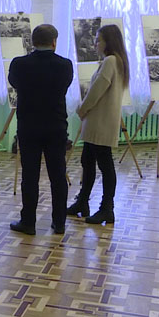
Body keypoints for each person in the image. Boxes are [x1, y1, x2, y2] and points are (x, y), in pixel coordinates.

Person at [8, 24, 73, 235]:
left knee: (30, 175)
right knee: (58, 174)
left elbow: (14, 82)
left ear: (32, 42)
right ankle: (59, 222)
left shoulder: (19, 64)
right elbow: (64, 86)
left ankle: (28, 222)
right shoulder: (65, 65)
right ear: (54, 42)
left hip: (29, 127)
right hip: (56, 126)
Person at [67, 25, 129, 225]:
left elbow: (96, 91)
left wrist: (82, 109)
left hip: (100, 122)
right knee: (88, 161)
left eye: (98, 40)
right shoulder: (115, 61)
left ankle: (106, 208)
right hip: (97, 122)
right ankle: (82, 202)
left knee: (104, 164)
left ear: (108, 42)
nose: (95, 44)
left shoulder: (111, 61)